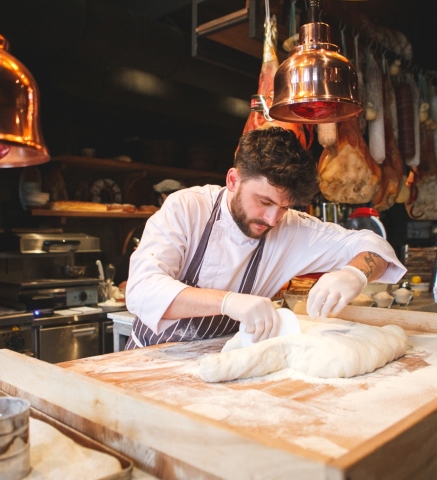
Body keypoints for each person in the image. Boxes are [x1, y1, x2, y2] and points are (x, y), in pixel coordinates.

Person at [124, 127, 406, 349]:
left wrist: (354, 274)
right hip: (151, 359)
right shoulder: (186, 208)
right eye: (264, 201)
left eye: (284, 207)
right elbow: (141, 290)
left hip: (221, 366)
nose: (273, 219)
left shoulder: (292, 229)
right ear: (233, 180)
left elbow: (376, 246)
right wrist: (229, 302)